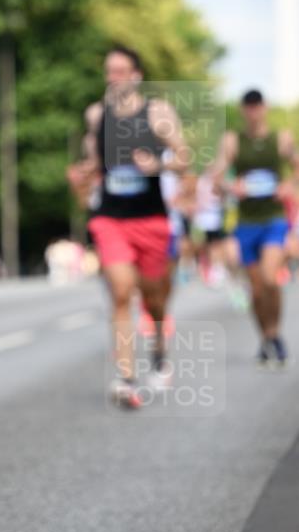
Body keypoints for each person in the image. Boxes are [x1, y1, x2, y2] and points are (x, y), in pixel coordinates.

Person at [75, 45, 190, 407]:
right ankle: (127, 377)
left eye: (121, 71)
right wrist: (86, 170)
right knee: (121, 290)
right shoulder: (96, 115)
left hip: (151, 220)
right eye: (110, 72)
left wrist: (158, 165)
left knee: (154, 297)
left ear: (137, 76)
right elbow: (95, 160)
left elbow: (184, 157)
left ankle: (158, 349)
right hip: (111, 219)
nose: (114, 78)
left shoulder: (157, 112)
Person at [211, 89, 298, 367]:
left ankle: (275, 333)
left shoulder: (280, 138)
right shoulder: (233, 141)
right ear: (243, 110)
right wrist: (230, 186)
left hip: (273, 218)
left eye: (257, 106)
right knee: (257, 288)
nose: (253, 111)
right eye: (248, 107)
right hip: (246, 222)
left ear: (265, 108)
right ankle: (266, 337)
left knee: (271, 278)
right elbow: (217, 178)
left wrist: (289, 185)